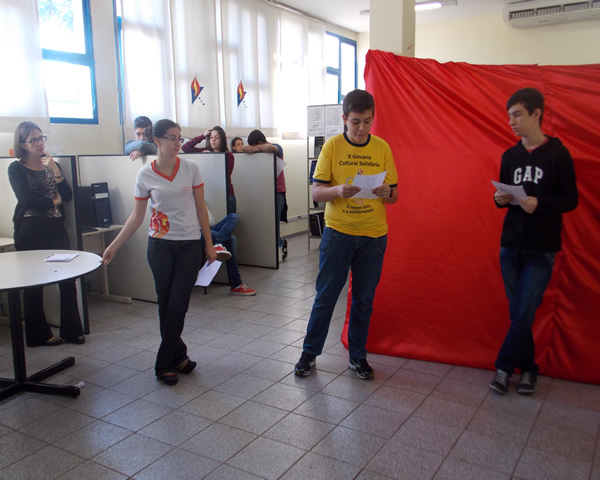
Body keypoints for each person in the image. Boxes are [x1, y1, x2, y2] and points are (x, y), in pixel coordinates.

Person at [102, 119, 220, 386]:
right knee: (166, 305)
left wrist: (209, 244)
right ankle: (178, 355)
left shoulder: (191, 168)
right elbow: (136, 217)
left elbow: (201, 209)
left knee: (178, 305)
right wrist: (113, 245)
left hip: (189, 245)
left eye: (180, 138)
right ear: (156, 140)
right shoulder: (145, 175)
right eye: (171, 138)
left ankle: (163, 362)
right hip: (160, 247)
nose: (177, 143)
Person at [294, 89, 398, 380]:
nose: (362, 128)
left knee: (364, 300)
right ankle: (309, 353)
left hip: (373, 236)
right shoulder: (332, 147)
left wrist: (388, 192)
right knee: (326, 296)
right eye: (355, 122)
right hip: (338, 233)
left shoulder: (382, 148)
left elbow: (394, 196)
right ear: (344, 119)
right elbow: (317, 192)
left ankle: (357, 356)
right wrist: (338, 190)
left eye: (367, 121)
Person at [490, 87, 578, 395]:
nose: (511, 122)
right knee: (519, 312)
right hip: (511, 245)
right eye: (509, 116)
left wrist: (539, 204)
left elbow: (571, 200)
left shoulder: (558, 154)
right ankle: (528, 370)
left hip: (542, 248)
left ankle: (503, 367)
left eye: (517, 115)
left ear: (536, 114)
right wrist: (499, 199)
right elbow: (503, 196)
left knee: (524, 310)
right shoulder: (510, 156)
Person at [8, 121, 85, 347]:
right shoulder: (16, 168)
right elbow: (26, 200)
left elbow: (67, 196)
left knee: (67, 277)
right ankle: (38, 334)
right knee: (34, 282)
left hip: (55, 226)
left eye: (41, 138)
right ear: (22, 144)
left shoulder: (51, 165)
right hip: (30, 228)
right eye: (33, 140)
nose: (39, 143)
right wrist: (53, 202)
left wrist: (57, 172)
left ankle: (72, 330)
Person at [243, 130, 289, 261]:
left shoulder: (277, 147)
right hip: (265, 191)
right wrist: (257, 148)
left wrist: (256, 148)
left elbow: (269, 148)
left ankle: (278, 246)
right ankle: (279, 244)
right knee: (266, 224)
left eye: (255, 145)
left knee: (273, 224)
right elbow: (244, 149)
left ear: (259, 142)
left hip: (278, 192)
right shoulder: (260, 150)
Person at [182, 126, 237, 214]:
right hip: (211, 193)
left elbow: (224, 176)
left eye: (217, 138)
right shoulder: (205, 152)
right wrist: (202, 136)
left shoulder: (229, 155)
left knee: (231, 219)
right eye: (211, 137)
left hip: (227, 195)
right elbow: (185, 148)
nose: (213, 140)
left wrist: (212, 157)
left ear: (222, 140)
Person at [206, 207, 256, 296]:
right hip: (198, 232)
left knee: (234, 216)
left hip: (209, 228)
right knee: (230, 239)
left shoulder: (199, 200)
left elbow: (211, 221)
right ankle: (236, 285)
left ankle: (218, 244)